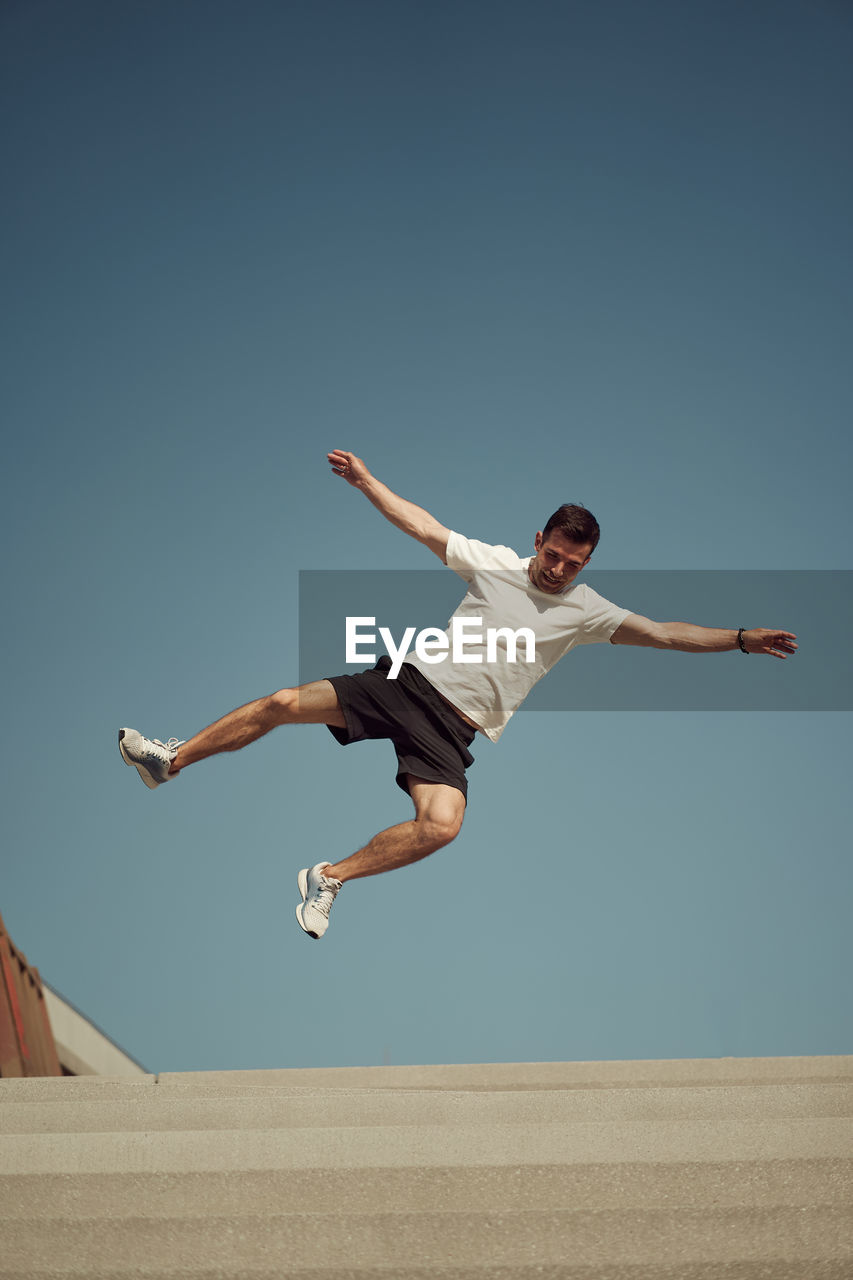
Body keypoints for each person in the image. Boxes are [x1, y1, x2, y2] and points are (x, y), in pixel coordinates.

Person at [119, 449, 797, 939]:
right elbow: (421, 524)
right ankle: (169, 759)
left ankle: (328, 878)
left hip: (453, 730)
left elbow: (665, 633)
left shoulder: (586, 609)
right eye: (554, 555)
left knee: (442, 825)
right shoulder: (497, 564)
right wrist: (366, 481)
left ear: (587, 564)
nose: (559, 570)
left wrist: (739, 637)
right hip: (405, 683)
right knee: (281, 703)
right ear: (539, 540)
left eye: (573, 564)